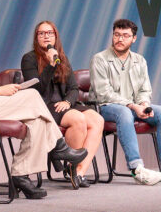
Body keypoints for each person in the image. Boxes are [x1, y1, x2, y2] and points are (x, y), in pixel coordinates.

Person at [0, 5, 87, 199]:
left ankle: (20, 175)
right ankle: (59, 147)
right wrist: (1, 90)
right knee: (31, 95)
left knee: (37, 123)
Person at [89, 18, 161, 185]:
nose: (120, 39)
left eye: (125, 35)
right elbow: (104, 93)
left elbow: (144, 90)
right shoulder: (100, 59)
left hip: (134, 107)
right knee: (124, 112)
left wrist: (144, 105)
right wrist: (133, 106)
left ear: (134, 38)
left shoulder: (139, 60)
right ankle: (136, 168)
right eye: (117, 35)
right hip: (106, 108)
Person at [21, 21, 104, 188]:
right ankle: (72, 166)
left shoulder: (62, 57)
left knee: (97, 120)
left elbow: (74, 87)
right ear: (36, 37)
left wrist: (67, 101)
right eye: (41, 33)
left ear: (55, 36)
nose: (46, 36)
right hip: (43, 106)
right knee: (78, 119)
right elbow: (37, 88)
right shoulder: (29, 59)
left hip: (65, 105)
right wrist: (51, 65)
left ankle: (79, 171)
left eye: (50, 33)